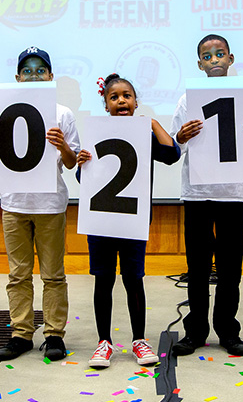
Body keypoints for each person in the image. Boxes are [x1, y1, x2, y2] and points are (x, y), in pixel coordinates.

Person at [169, 34, 243, 357]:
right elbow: (174, 146)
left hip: (233, 192)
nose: (214, 60)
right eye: (207, 56)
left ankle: (227, 330)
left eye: (219, 54)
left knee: (230, 267)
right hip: (197, 193)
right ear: (199, 64)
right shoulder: (187, 100)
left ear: (231, 58)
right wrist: (181, 137)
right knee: (196, 267)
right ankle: (195, 331)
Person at [0, 47, 80, 361]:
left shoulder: (62, 112)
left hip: (50, 204)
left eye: (40, 70)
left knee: (53, 274)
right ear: (17, 77)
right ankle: (20, 333)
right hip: (13, 204)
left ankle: (53, 335)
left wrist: (62, 145)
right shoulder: (0, 110)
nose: (33, 75)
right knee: (18, 275)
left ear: (50, 76)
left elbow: (73, 161)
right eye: (27, 70)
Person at [77, 74, 180, 368]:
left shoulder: (146, 134)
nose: (121, 100)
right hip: (101, 219)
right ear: (106, 104)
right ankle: (104, 342)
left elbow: (172, 154)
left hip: (133, 220)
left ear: (136, 102)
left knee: (134, 279)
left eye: (127, 95)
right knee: (104, 279)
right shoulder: (96, 132)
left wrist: (154, 124)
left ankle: (139, 340)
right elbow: (82, 178)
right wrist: (83, 161)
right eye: (114, 97)